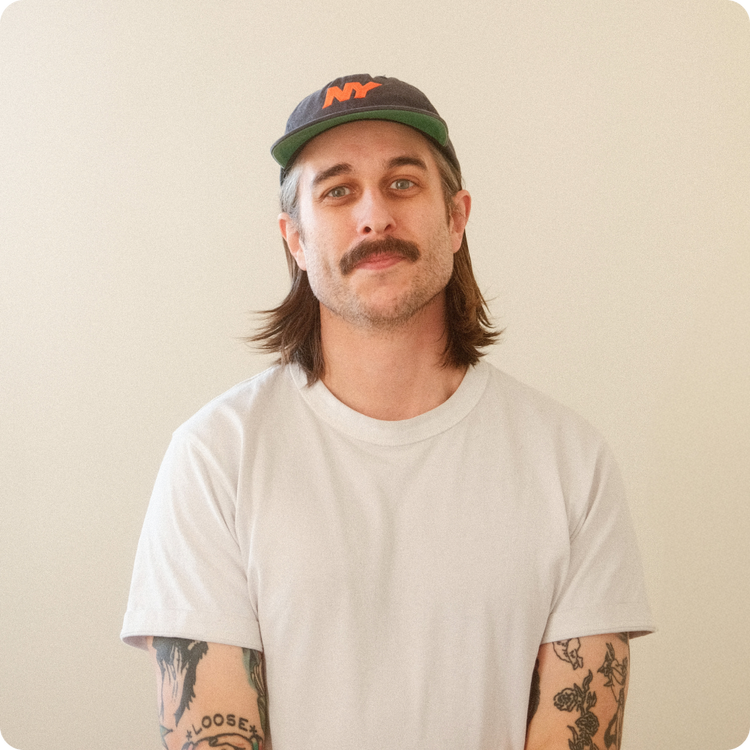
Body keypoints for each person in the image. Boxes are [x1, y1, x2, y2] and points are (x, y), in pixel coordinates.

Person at [122, 74, 655, 750]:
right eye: (337, 191)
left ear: (456, 218)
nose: (374, 216)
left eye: (402, 183)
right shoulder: (214, 457)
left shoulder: (571, 462)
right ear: (294, 239)